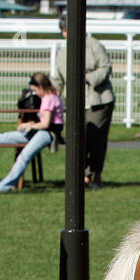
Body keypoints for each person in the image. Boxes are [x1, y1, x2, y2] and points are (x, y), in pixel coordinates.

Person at [0, 72, 62, 193]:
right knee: (5, 137)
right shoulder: (49, 96)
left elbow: (46, 124)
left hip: (48, 133)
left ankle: (3, 187)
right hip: (40, 131)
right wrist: (28, 125)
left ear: (41, 87)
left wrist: (30, 126)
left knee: (24, 156)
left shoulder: (49, 99)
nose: (35, 94)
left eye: (35, 90)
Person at [52, 13, 113, 188]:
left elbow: (106, 67)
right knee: (79, 139)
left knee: (95, 139)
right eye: (63, 31)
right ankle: (84, 176)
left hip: (99, 101)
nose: (65, 34)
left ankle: (95, 174)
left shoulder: (94, 46)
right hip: (76, 104)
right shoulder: (63, 53)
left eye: (66, 30)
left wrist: (88, 78)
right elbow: (58, 78)